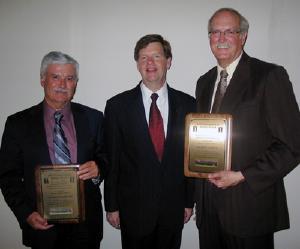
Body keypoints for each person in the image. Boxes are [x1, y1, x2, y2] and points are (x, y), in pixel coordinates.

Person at [194, 7, 300, 249]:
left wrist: (242, 175)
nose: (221, 39)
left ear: (243, 36)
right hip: (209, 210)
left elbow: (293, 144)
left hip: (249, 209)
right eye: (215, 32)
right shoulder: (204, 82)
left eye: (229, 31)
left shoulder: (269, 76)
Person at [0, 51, 106, 249]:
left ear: (76, 83)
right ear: (42, 80)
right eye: (55, 77)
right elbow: (7, 176)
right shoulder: (18, 124)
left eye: (69, 78)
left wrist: (98, 168)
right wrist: (26, 213)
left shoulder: (94, 118)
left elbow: (107, 157)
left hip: (85, 228)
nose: (62, 84)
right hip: (42, 226)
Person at [104, 34, 195, 249]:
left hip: (173, 210)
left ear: (168, 61)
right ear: (137, 64)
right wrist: (111, 206)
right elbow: (112, 160)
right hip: (132, 211)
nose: (150, 63)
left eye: (156, 56)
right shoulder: (117, 106)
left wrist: (188, 201)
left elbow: (190, 158)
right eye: (143, 58)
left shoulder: (189, 105)